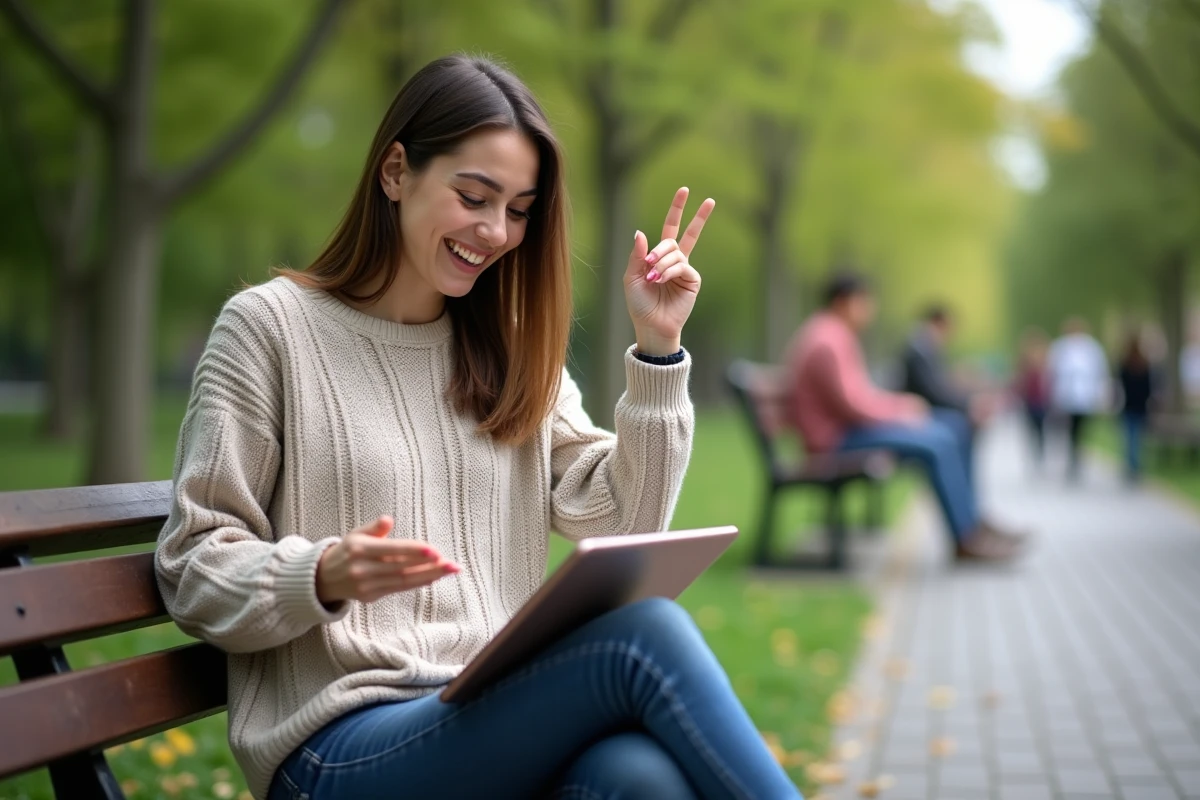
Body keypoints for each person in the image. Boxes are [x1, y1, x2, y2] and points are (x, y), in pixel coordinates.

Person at [155, 56, 799, 800]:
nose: (495, 231)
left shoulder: (509, 347)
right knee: (645, 638)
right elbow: (193, 566)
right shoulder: (269, 331)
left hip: (483, 716)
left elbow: (625, 525)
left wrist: (658, 349)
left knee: (637, 778)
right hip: (336, 750)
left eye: (519, 210)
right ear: (396, 172)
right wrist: (319, 574)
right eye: (473, 196)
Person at [784, 272, 1025, 562]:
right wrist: (902, 411)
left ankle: (971, 523)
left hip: (846, 432)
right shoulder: (828, 341)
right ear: (842, 302)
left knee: (954, 426)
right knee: (938, 440)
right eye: (864, 302)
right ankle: (965, 537)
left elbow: (859, 398)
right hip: (834, 442)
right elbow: (853, 406)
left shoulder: (831, 334)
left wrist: (901, 407)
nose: (870, 310)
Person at [1047, 317, 1109, 481]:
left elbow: (1099, 372)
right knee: (1070, 429)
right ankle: (1073, 458)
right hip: (1067, 397)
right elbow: (1053, 373)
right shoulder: (1060, 347)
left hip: (1085, 397)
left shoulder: (1092, 348)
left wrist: (1100, 394)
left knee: (1081, 429)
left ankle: (1077, 456)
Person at [1116, 331, 1157, 483]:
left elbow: (1120, 386)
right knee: (1138, 437)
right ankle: (1135, 464)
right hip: (1141, 406)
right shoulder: (1144, 364)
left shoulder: (1124, 364)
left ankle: (1131, 465)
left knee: (1129, 437)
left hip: (1128, 405)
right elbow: (1149, 388)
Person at [1014, 328, 1050, 467]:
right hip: (1029, 399)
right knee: (1032, 427)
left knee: (1040, 427)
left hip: (1040, 399)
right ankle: (1035, 452)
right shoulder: (1024, 361)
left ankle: (1039, 452)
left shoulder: (1044, 361)